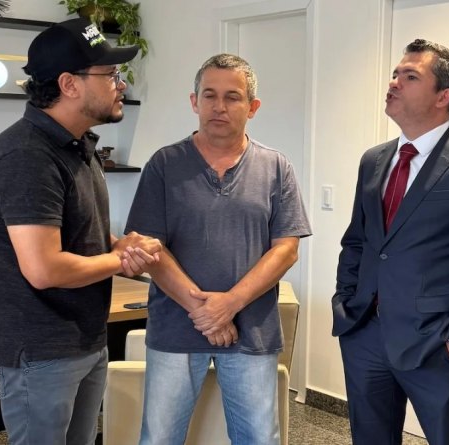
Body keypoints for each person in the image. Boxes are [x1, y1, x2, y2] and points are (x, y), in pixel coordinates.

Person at [0, 18, 161, 445]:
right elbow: (45, 269)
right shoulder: (26, 155)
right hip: (40, 347)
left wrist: (119, 245)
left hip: (82, 337)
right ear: (69, 84)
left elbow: (78, 233)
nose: (121, 84)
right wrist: (121, 258)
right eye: (110, 74)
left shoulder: (78, 146)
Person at [332, 38, 449, 444]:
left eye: (410, 76)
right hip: (365, 335)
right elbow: (358, 242)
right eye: (395, 74)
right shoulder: (374, 160)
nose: (394, 83)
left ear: (443, 96)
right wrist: (346, 303)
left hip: (435, 344)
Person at [124, 53, 312, 445]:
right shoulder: (164, 165)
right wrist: (205, 312)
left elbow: (286, 250)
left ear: (252, 107)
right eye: (209, 95)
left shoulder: (276, 167)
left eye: (232, 97)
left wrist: (229, 304)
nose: (219, 106)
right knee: (159, 437)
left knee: (259, 438)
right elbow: (150, 249)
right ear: (194, 102)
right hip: (176, 328)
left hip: (252, 331)